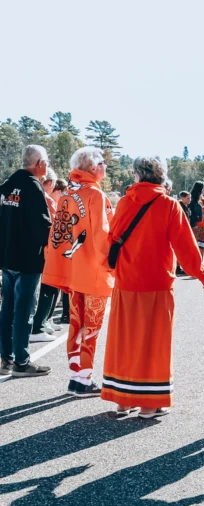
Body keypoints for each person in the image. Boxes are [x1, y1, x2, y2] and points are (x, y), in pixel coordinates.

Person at [101, 156, 204, 418]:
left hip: (125, 282)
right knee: (154, 343)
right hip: (155, 282)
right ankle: (150, 403)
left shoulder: (124, 202)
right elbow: (187, 250)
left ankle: (122, 400)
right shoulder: (168, 204)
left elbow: (111, 239)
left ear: (137, 175)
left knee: (125, 341)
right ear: (161, 176)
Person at [42, 146, 114, 396]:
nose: (105, 166)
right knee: (92, 326)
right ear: (93, 167)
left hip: (73, 270)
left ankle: (75, 375)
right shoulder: (95, 195)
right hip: (93, 271)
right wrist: (113, 265)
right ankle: (84, 378)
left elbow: (57, 233)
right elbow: (103, 236)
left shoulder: (66, 195)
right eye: (103, 162)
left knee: (76, 322)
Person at [0, 145, 52, 378]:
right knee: (24, 311)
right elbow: (42, 226)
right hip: (28, 259)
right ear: (39, 163)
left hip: (7, 256)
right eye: (47, 162)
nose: (47, 167)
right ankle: (21, 361)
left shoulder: (8, 184)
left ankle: (5, 358)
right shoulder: (33, 188)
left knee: (7, 309)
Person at [30, 168, 64, 341]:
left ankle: (43, 322)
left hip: (33, 251)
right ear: (50, 184)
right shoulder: (47, 200)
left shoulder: (31, 197)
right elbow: (54, 226)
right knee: (47, 289)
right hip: (47, 252)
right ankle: (39, 326)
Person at [188, 181, 204, 258]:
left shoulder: (203, 200)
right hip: (195, 227)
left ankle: (199, 265)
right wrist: (194, 224)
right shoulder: (191, 200)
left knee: (201, 246)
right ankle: (191, 265)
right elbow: (189, 213)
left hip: (203, 228)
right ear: (199, 189)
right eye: (203, 188)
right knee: (192, 247)